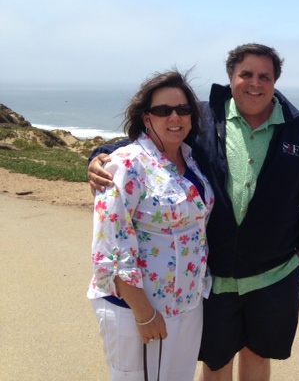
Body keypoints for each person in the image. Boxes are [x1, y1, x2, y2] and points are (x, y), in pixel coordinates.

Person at [89, 44, 299, 381]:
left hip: (274, 277)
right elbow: (153, 143)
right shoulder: (204, 119)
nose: (255, 83)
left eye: (264, 76)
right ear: (231, 78)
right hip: (214, 279)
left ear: (275, 81)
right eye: (246, 74)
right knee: (216, 361)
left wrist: (297, 263)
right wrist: (100, 155)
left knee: (258, 356)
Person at [87, 70, 214, 381]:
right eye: (163, 110)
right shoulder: (125, 165)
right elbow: (111, 247)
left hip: (187, 303)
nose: (175, 116)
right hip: (139, 309)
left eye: (183, 109)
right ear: (146, 118)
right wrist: (144, 314)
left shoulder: (190, 158)